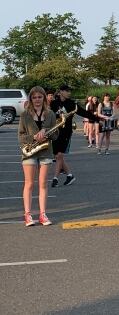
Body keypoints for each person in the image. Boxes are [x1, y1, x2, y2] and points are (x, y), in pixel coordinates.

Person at [19, 86, 59, 226]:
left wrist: (46, 130)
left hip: (45, 151)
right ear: (30, 99)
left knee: (43, 184)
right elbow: (21, 136)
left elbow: (55, 136)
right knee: (29, 183)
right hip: (29, 151)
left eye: (39, 97)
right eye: (34, 97)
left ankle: (43, 214)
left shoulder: (51, 114)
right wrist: (34, 137)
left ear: (44, 98)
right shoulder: (25, 115)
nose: (37, 100)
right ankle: (28, 215)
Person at [49, 85, 102, 188]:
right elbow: (49, 115)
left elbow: (84, 113)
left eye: (70, 91)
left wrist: (97, 120)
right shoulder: (54, 103)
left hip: (66, 132)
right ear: (61, 92)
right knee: (57, 155)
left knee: (59, 155)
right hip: (55, 131)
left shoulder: (72, 104)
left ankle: (55, 179)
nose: (69, 93)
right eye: (67, 91)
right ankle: (70, 175)